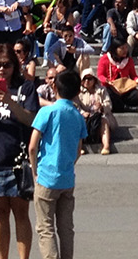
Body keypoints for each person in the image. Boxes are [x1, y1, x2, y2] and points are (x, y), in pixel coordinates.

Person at [0, 42, 38, 259]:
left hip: (18, 160)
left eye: (7, 65)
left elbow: (31, 120)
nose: (1, 69)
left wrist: (10, 102)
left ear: (15, 65)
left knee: (21, 213)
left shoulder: (26, 89)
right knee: (0, 214)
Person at [29, 68, 87, 259]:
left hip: (46, 175)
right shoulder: (78, 116)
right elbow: (79, 150)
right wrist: (69, 164)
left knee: (45, 227)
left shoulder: (47, 111)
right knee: (66, 227)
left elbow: (32, 146)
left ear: (54, 87)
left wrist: (34, 172)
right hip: (67, 177)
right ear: (78, 91)